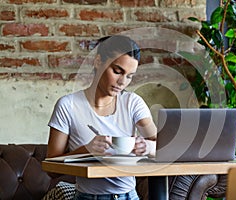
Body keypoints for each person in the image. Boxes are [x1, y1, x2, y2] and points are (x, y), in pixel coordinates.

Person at [46, 35, 157, 200]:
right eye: (117, 71)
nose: (122, 82)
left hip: (130, 196)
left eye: (129, 76)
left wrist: (148, 147)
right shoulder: (68, 106)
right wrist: (86, 150)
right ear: (98, 61)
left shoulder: (132, 103)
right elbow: (51, 168)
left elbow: (163, 147)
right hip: (87, 197)